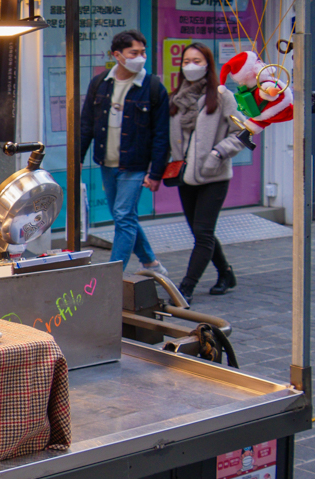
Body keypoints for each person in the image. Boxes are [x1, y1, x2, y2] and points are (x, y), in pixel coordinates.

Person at [81, 29, 170, 276]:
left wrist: (156, 172)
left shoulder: (152, 87)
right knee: (124, 217)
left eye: (143, 52)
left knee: (123, 216)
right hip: (106, 163)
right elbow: (86, 124)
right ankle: (151, 263)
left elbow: (161, 134)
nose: (140, 57)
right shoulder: (100, 83)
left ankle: (113, 274)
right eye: (134, 53)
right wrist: (76, 157)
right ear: (117, 55)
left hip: (135, 164)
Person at [168, 43, 244, 303]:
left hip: (214, 175)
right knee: (202, 232)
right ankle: (226, 273)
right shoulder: (176, 97)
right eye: (187, 60)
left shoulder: (222, 96)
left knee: (202, 232)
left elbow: (242, 132)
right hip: (185, 175)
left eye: (197, 60)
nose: (191, 65)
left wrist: (217, 154)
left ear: (208, 64)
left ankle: (185, 288)